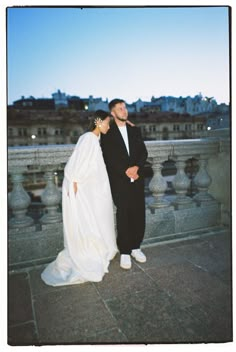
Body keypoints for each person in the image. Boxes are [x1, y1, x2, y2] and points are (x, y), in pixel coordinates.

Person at [41, 110, 118, 286]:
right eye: (107, 122)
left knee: (96, 221)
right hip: (89, 193)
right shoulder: (89, 138)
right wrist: (75, 182)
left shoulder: (93, 139)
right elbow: (76, 164)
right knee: (89, 222)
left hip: (95, 191)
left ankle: (98, 249)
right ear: (98, 122)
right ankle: (91, 253)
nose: (108, 126)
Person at [101, 99, 148, 270]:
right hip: (120, 180)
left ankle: (136, 247)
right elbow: (108, 157)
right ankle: (125, 252)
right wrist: (125, 170)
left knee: (138, 213)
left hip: (137, 178)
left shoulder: (135, 130)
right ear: (112, 113)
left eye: (125, 107)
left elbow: (143, 152)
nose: (124, 110)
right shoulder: (107, 132)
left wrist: (136, 167)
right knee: (124, 215)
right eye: (120, 108)